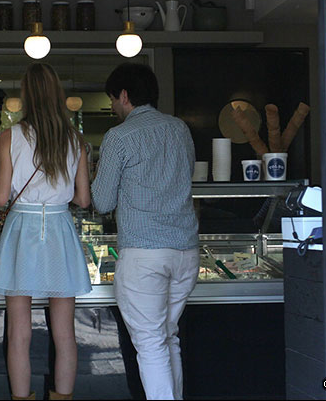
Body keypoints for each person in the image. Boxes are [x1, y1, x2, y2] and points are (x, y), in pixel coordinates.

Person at [91, 62, 200, 400]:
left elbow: (103, 201)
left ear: (124, 95)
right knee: (168, 337)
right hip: (185, 250)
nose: (112, 106)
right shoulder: (179, 128)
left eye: (112, 98)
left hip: (144, 254)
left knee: (151, 344)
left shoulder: (119, 136)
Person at [0, 63, 91, 401]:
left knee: (19, 333)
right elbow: (83, 198)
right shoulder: (75, 139)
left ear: (26, 96)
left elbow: (2, 197)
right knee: (65, 334)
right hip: (60, 229)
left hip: (23, 230)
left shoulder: (11, 136)